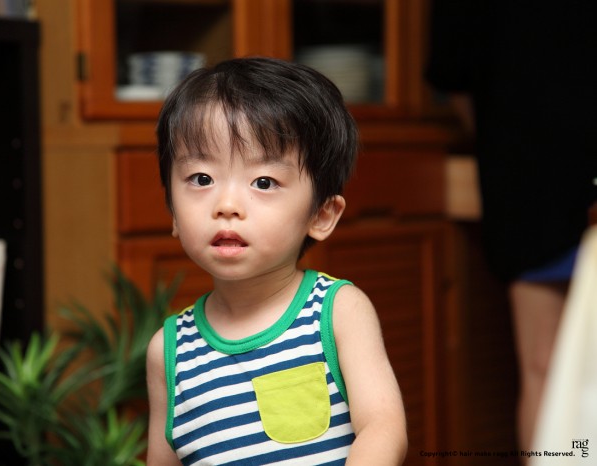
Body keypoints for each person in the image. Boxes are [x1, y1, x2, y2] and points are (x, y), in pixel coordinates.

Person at [145, 57, 408, 465]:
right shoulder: (169, 351)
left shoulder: (337, 312)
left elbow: (383, 426)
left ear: (321, 214)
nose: (226, 205)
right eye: (201, 179)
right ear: (173, 213)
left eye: (263, 182)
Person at [425, 0, 597, 455]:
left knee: (545, 366)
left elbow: (452, 72)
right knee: (546, 365)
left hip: (525, 162)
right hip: (530, 171)